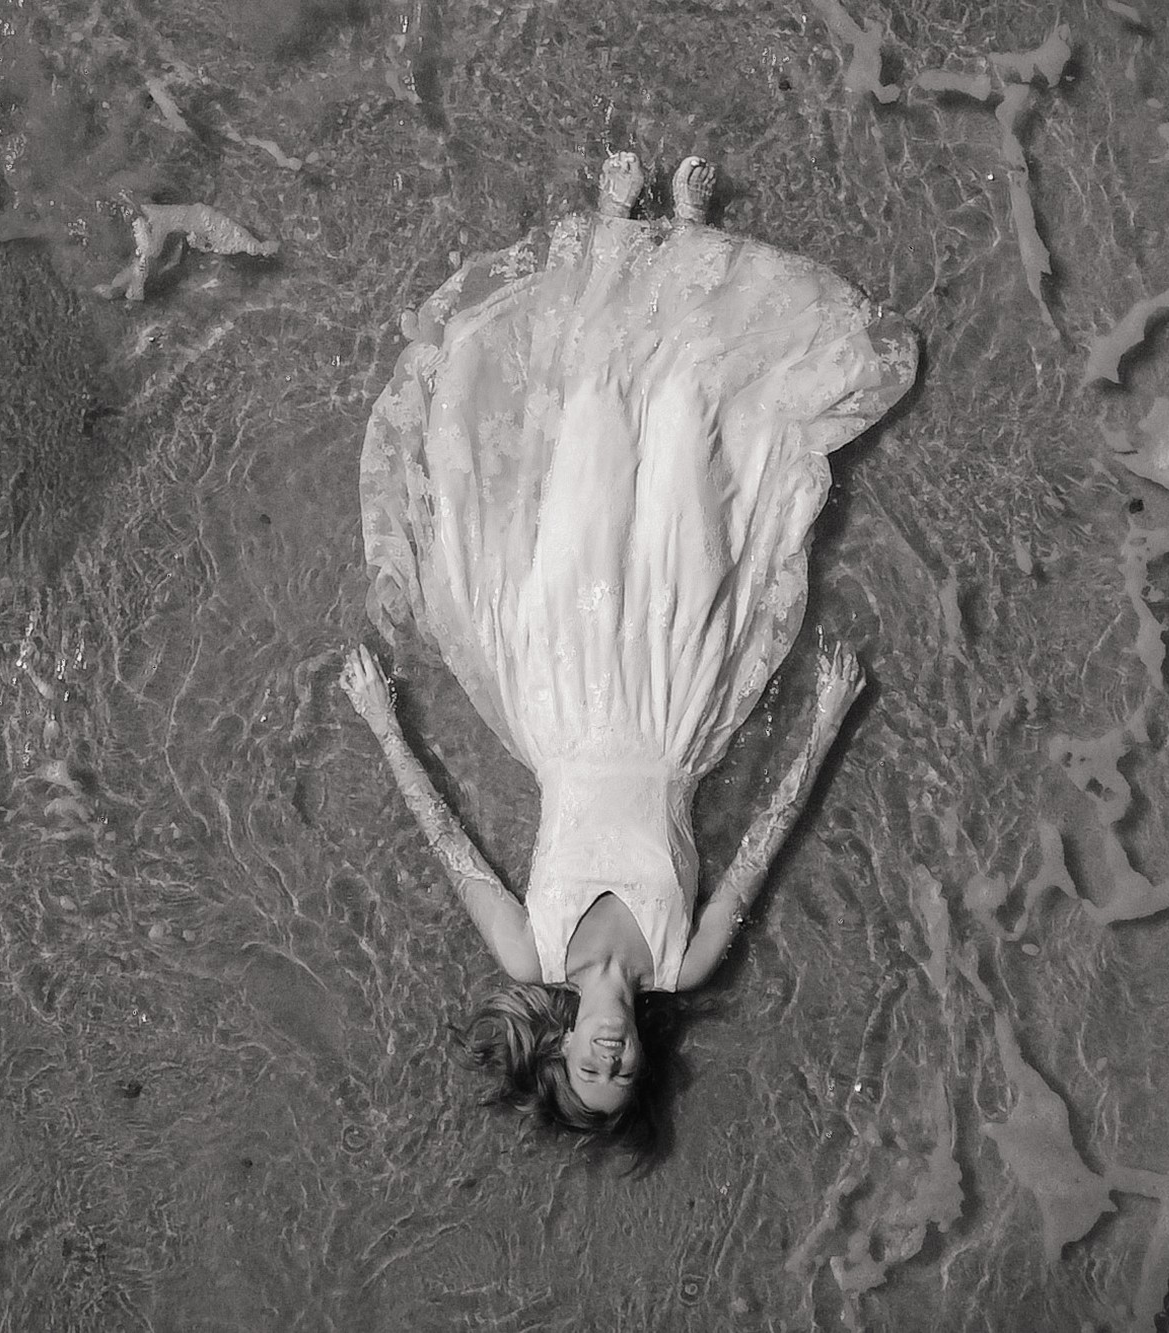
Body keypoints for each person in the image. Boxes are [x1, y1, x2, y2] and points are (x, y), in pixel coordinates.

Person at [340, 151, 917, 1166]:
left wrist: (385, 724)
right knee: (685, 428)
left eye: (584, 1071)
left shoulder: (530, 947)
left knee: (588, 439)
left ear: (558, 1049)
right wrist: (824, 722)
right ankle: (691, 243)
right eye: (623, 1077)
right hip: (673, 688)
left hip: (556, 680)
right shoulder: (681, 964)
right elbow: (761, 844)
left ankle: (614, 231)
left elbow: (448, 842)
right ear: (641, 1061)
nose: (609, 1061)